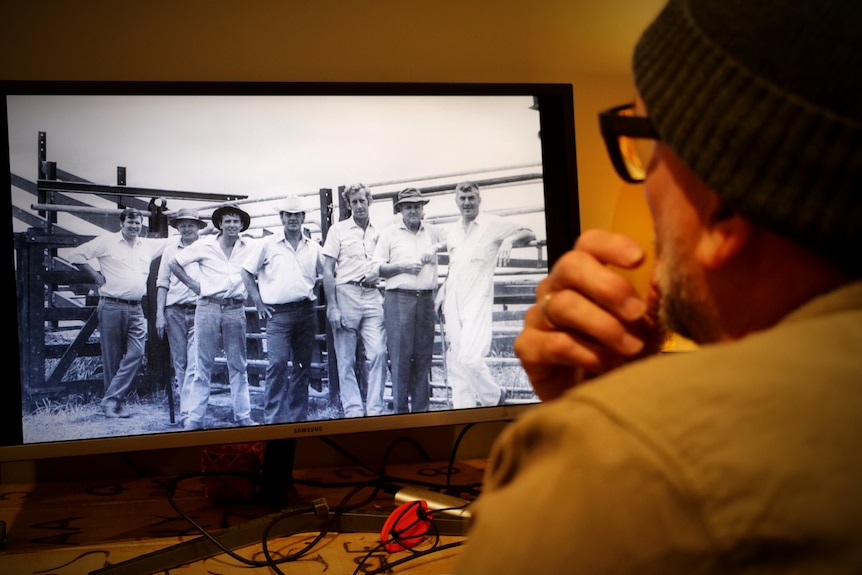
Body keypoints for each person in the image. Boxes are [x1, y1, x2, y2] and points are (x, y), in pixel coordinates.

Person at [452, 0, 862, 573]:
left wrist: (597, 436)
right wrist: (617, 406)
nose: (644, 190)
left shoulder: (640, 468)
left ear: (724, 211)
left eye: (646, 145)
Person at [441, 181, 535, 408]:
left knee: (470, 358)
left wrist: (509, 242)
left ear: (479, 200)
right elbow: (454, 267)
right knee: (456, 362)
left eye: (471, 198)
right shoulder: (452, 231)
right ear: (456, 202)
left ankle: (494, 397)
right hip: (453, 299)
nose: (467, 203)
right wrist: (441, 296)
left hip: (477, 299)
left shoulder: (492, 224)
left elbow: (528, 232)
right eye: (462, 199)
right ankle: (463, 411)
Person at [67, 207, 167, 418]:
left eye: (138, 223)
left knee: (137, 353)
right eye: (130, 223)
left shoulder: (147, 245)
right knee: (112, 357)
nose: (134, 227)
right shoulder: (106, 241)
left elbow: (175, 241)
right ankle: (114, 405)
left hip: (136, 308)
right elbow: (75, 255)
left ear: (142, 225)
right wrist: (96, 277)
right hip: (111, 305)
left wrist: (206, 232)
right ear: (121, 223)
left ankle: (110, 400)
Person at [169, 204, 256, 430]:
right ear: (219, 224)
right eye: (227, 221)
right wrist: (193, 285)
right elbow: (174, 263)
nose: (232, 225)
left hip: (235, 308)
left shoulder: (249, 246)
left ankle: (243, 416)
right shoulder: (205, 245)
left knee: (238, 364)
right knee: (202, 364)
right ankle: (195, 419)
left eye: (236, 221)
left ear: (242, 224)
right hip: (208, 307)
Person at [242, 195, 323, 424]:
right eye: (288, 215)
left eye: (297, 215)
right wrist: (257, 301)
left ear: (303, 218)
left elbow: (327, 272)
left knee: (301, 365)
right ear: (281, 218)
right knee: (277, 363)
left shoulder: (313, 247)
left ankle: (298, 418)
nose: (293, 219)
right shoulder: (267, 245)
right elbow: (247, 271)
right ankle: (274, 419)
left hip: (306, 311)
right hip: (278, 314)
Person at [373, 188, 446, 414]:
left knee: (423, 357)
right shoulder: (390, 234)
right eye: (408, 206)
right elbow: (375, 268)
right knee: (401, 359)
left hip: (425, 300)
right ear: (401, 210)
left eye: (417, 205)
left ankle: (421, 413)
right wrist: (401, 267)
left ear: (423, 208)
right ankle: (401, 414)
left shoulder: (433, 232)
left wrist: (436, 249)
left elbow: (456, 243)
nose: (413, 210)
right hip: (399, 300)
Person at [321, 183, 388, 418]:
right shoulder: (337, 231)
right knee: (346, 359)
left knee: (379, 352)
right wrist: (332, 306)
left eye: (362, 200)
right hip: (346, 293)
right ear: (348, 205)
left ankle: (375, 409)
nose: (359, 205)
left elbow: (387, 263)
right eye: (354, 202)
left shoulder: (381, 230)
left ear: (369, 201)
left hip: (372, 293)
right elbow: (327, 270)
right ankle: (353, 411)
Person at [155, 208, 207, 426]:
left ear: (197, 226)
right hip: (174, 310)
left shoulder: (206, 247)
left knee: (196, 363)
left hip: (199, 309)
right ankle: (187, 410)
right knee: (181, 362)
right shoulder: (170, 250)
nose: (187, 228)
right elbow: (162, 282)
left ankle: (189, 414)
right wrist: (159, 314)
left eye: (191, 224)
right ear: (177, 227)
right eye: (182, 225)